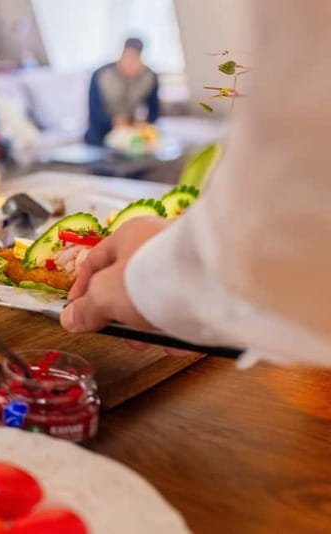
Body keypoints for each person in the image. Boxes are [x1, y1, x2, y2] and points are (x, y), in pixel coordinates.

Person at [61, 1, 331, 368]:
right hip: (101, 137)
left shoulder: (150, 76)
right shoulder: (100, 76)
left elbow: (284, 231)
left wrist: (151, 281)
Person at [84, 37, 159, 146]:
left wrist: (143, 123)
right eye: (128, 57)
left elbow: (154, 111)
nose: (131, 63)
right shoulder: (101, 75)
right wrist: (113, 122)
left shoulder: (149, 76)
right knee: (93, 136)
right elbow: (94, 112)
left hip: (132, 126)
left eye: (135, 58)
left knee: (149, 138)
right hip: (104, 126)